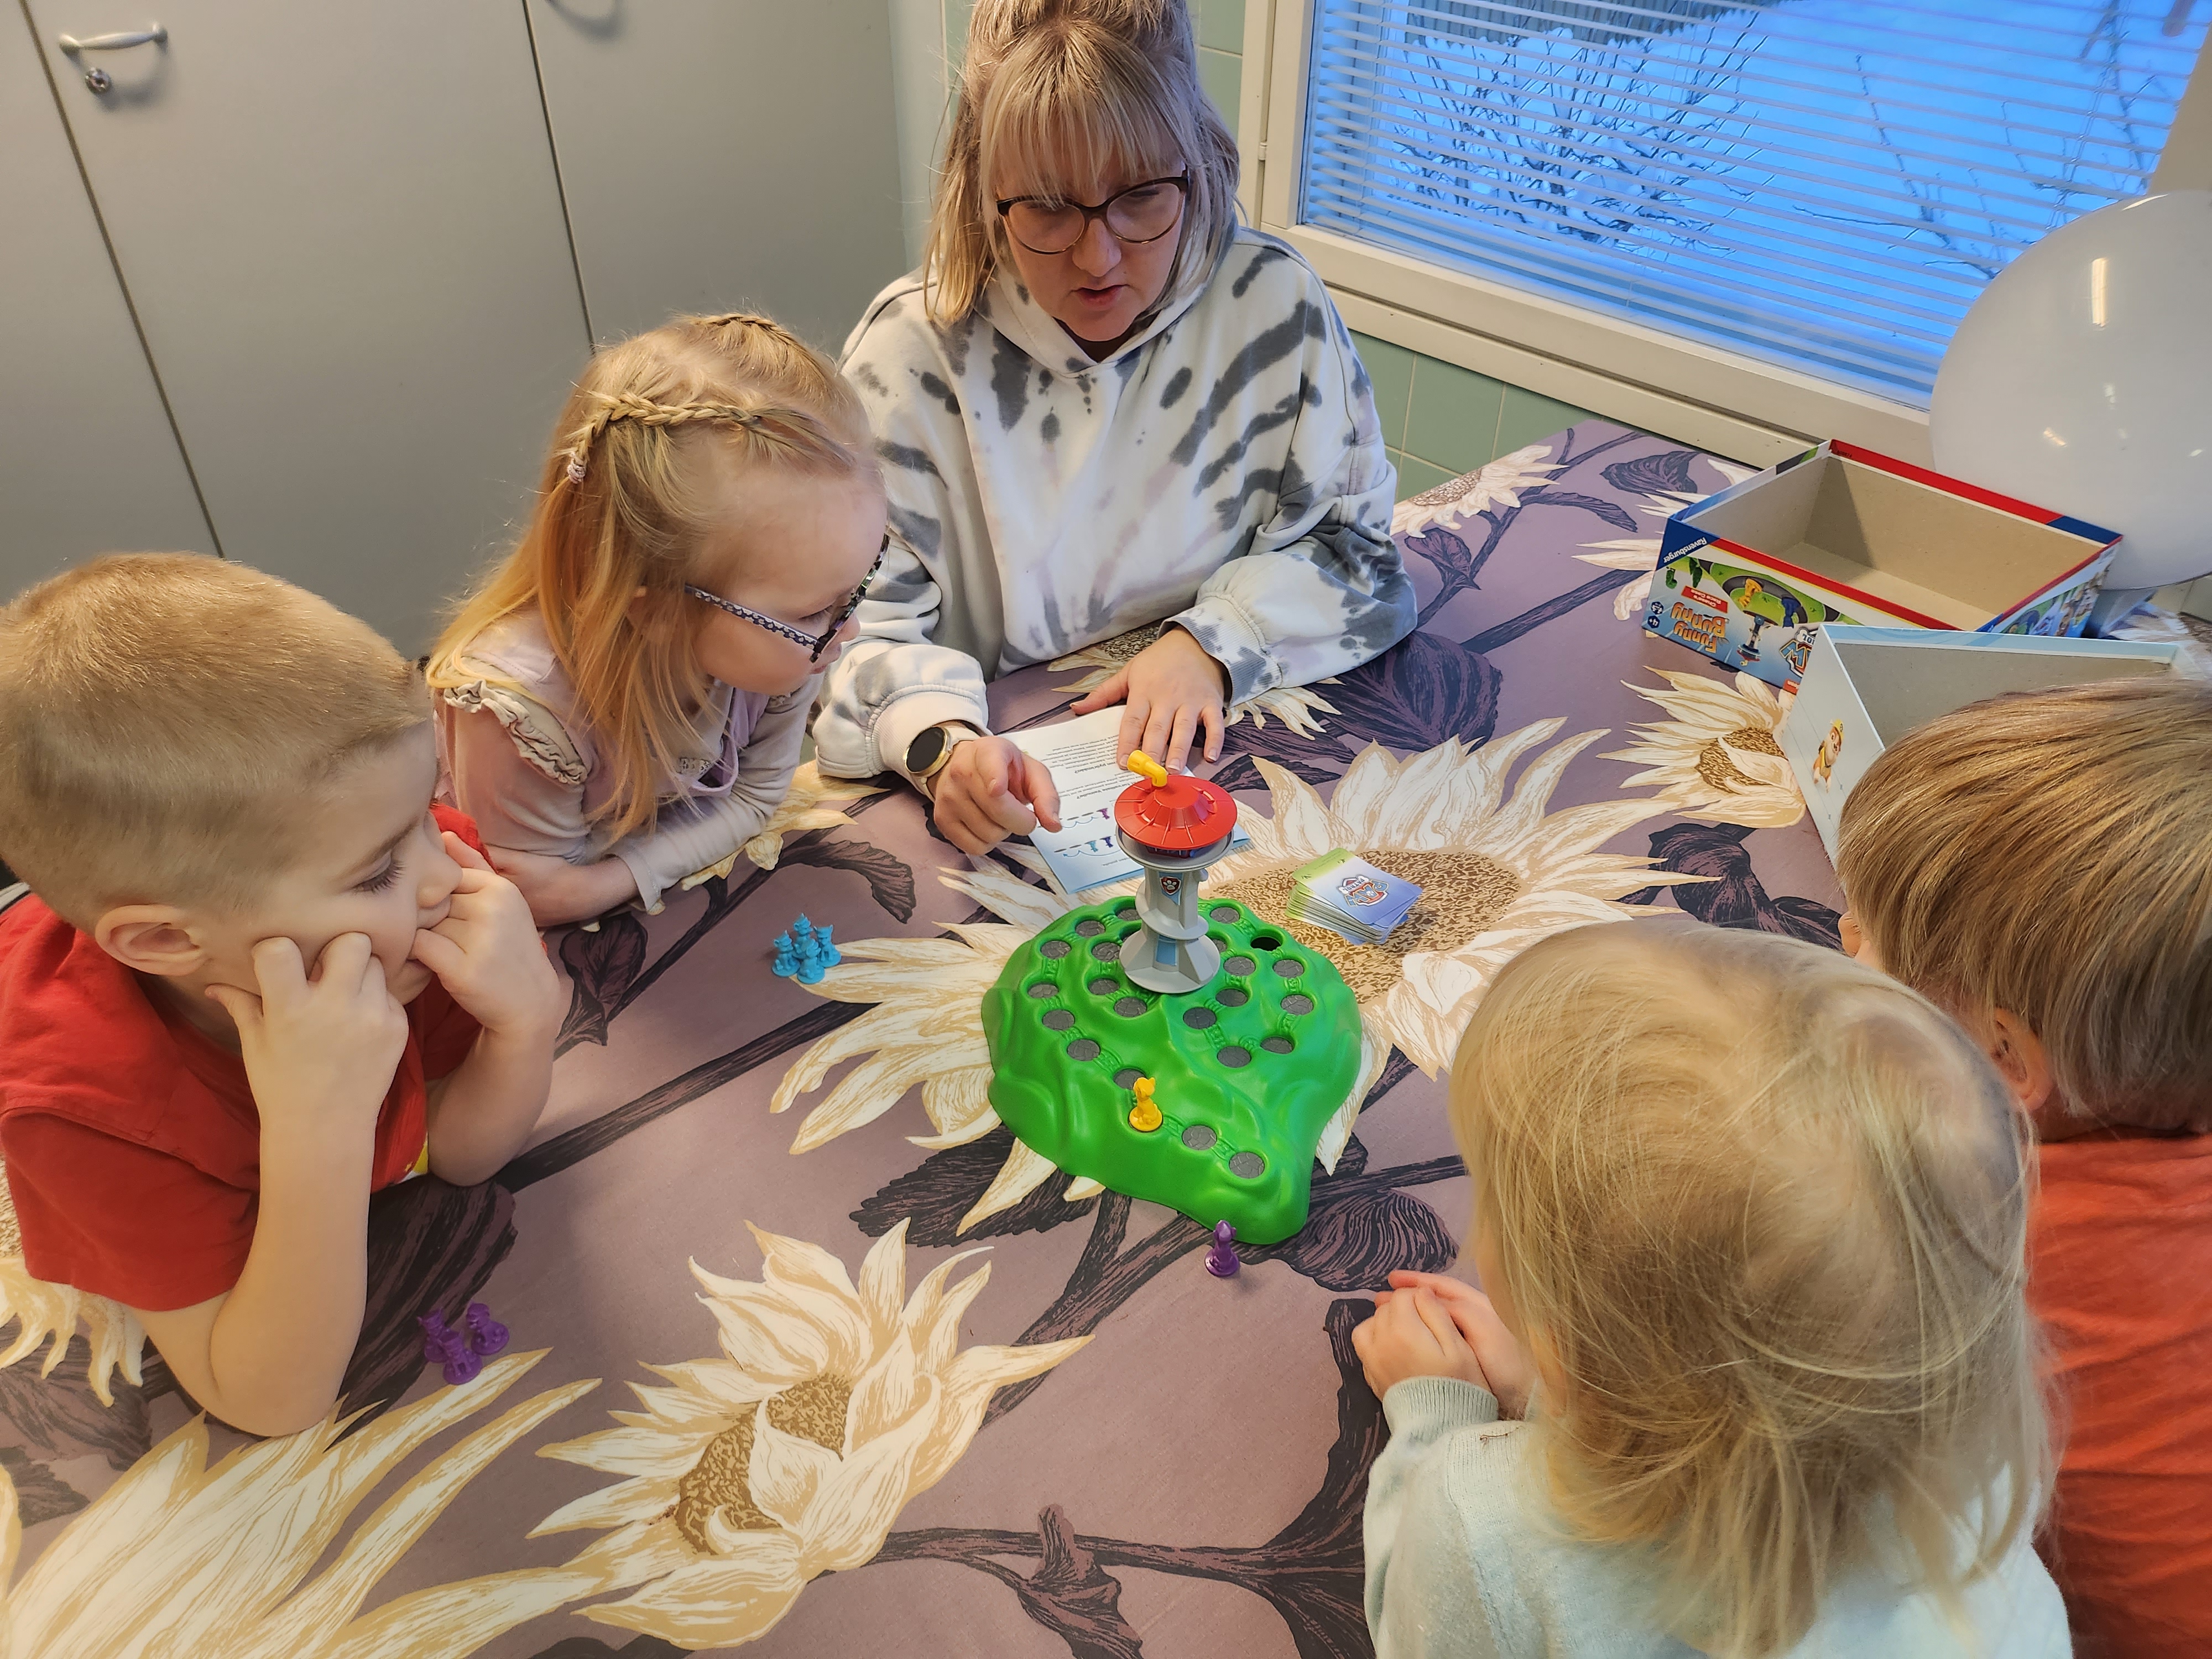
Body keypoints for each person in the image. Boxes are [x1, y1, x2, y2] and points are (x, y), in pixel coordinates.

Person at [1356, 917, 2067, 1658]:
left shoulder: (1486, 1523)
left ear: (1572, 1343)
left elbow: (1416, 1636)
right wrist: (1554, 1391)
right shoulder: (1976, 1469)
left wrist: (1435, 1416)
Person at [816, 0, 1415, 854]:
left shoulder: (1272, 304)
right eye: (1047, 208)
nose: (1097, 258)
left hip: (1219, 748)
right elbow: (842, 634)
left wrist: (1212, 644)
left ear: (1197, 161)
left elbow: (1357, 554)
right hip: (1016, 782)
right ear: (983, 187)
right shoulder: (911, 355)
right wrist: (941, 745)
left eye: (1140, 197)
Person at [0, 555, 561, 1438]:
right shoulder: (79, 1107)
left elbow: (459, 1155)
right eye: (376, 870)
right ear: (166, 943)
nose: (445, 873)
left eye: (426, 811)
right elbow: (268, 1400)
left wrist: (526, 1026)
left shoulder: (419, 889)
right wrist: (317, 1130)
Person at [1835, 677, 2212, 1656]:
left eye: (1868, 938)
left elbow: (1790, 1446)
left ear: (2003, 1058)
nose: (1839, 939)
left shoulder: (1965, 1235)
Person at [426, 312, 885, 926]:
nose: (848, 628)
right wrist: (609, 881)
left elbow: (757, 797)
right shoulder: (522, 713)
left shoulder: (785, 645)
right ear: (660, 610)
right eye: (814, 611)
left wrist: (618, 877)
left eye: (858, 586)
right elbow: (537, 896)